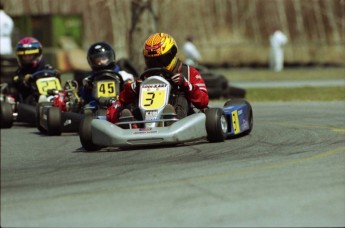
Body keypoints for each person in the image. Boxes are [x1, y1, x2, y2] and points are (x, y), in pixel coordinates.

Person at [112, 32, 208, 124]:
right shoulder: (147, 75)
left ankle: (170, 119)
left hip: (182, 117)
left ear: (172, 54)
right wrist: (133, 87)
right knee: (133, 100)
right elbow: (122, 99)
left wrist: (187, 85)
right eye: (152, 61)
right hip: (147, 117)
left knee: (181, 96)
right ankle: (133, 123)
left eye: (161, 59)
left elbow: (204, 101)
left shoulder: (188, 72)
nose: (156, 64)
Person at [80, 41, 134, 112]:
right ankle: (89, 117)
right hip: (97, 107)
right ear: (91, 61)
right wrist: (87, 88)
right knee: (88, 107)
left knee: (128, 106)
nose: (101, 62)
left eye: (104, 59)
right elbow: (85, 98)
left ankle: (126, 115)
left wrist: (127, 84)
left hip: (118, 104)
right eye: (98, 60)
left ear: (110, 57)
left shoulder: (123, 75)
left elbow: (132, 87)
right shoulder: (89, 79)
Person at [12, 37, 60, 103]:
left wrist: (56, 75)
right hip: (29, 104)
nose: (27, 58)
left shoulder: (48, 70)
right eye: (24, 56)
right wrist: (25, 81)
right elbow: (16, 86)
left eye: (30, 55)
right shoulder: (18, 73)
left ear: (37, 54)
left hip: (51, 100)